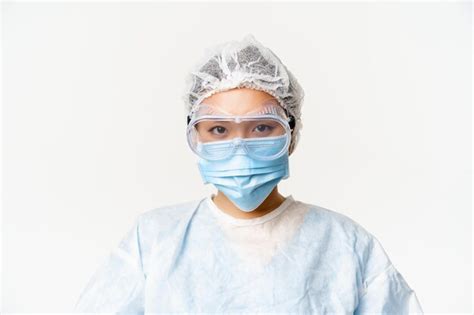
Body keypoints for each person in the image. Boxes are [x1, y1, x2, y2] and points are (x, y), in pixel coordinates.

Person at [73, 34, 423, 313]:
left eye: (260, 128)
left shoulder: (347, 246)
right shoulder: (153, 241)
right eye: (219, 130)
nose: (240, 148)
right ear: (196, 135)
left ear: (291, 134)